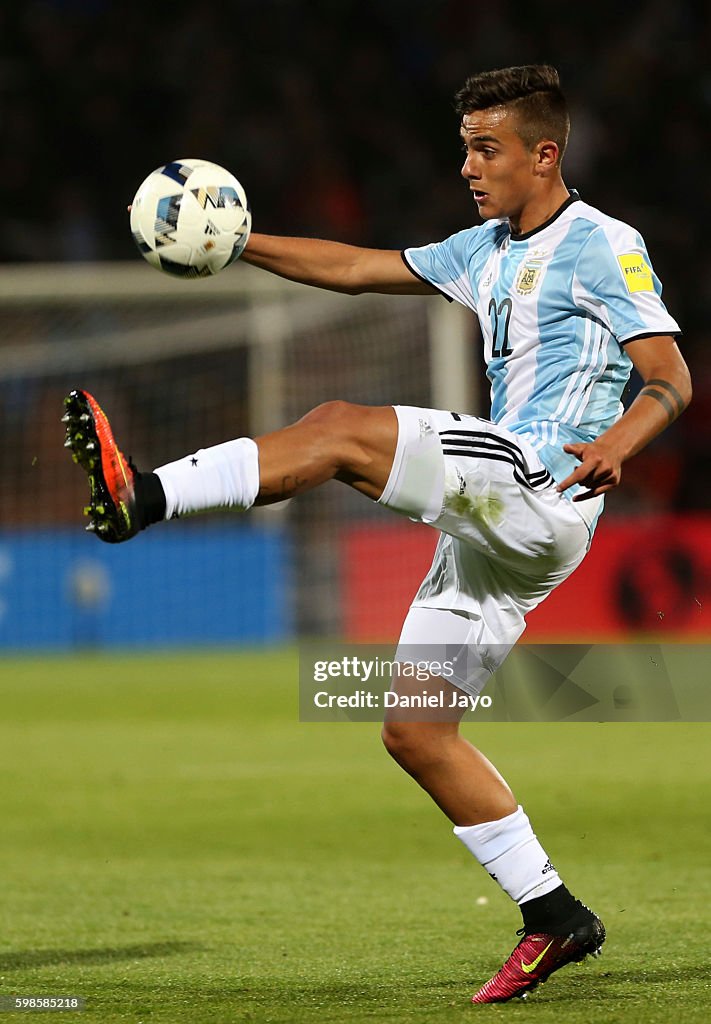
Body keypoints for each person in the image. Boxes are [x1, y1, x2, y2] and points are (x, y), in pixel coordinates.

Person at [63, 65, 690, 1003]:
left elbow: (670, 378)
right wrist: (236, 242)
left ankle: (141, 497)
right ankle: (555, 915)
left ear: (543, 154)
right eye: (466, 147)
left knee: (339, 428)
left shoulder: (605, 243)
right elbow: (356, 269)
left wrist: (617, 441)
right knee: (414, 730)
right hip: (491, 537)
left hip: (540, 481)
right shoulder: (481, 248)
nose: (470, 166)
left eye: (488, 148)